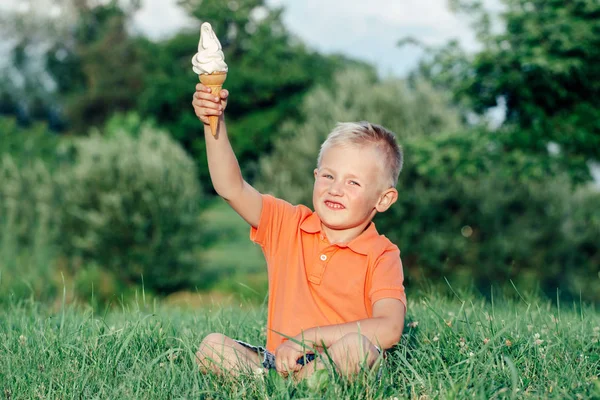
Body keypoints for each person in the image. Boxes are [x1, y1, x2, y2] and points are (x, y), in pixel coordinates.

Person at [191, 82, 407, 380]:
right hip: (277, 363)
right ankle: (274, 386)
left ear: (384, 199)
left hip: (335, 361)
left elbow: (389, 328)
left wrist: (311, 337)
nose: (335, 189)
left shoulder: (382, 254)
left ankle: (298, 387)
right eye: (329, 176)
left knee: (358, 349)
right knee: (212, 346)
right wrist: (213, 123)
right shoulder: (287, 224)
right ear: (316, 176)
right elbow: (231, 187)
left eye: (353, 183)